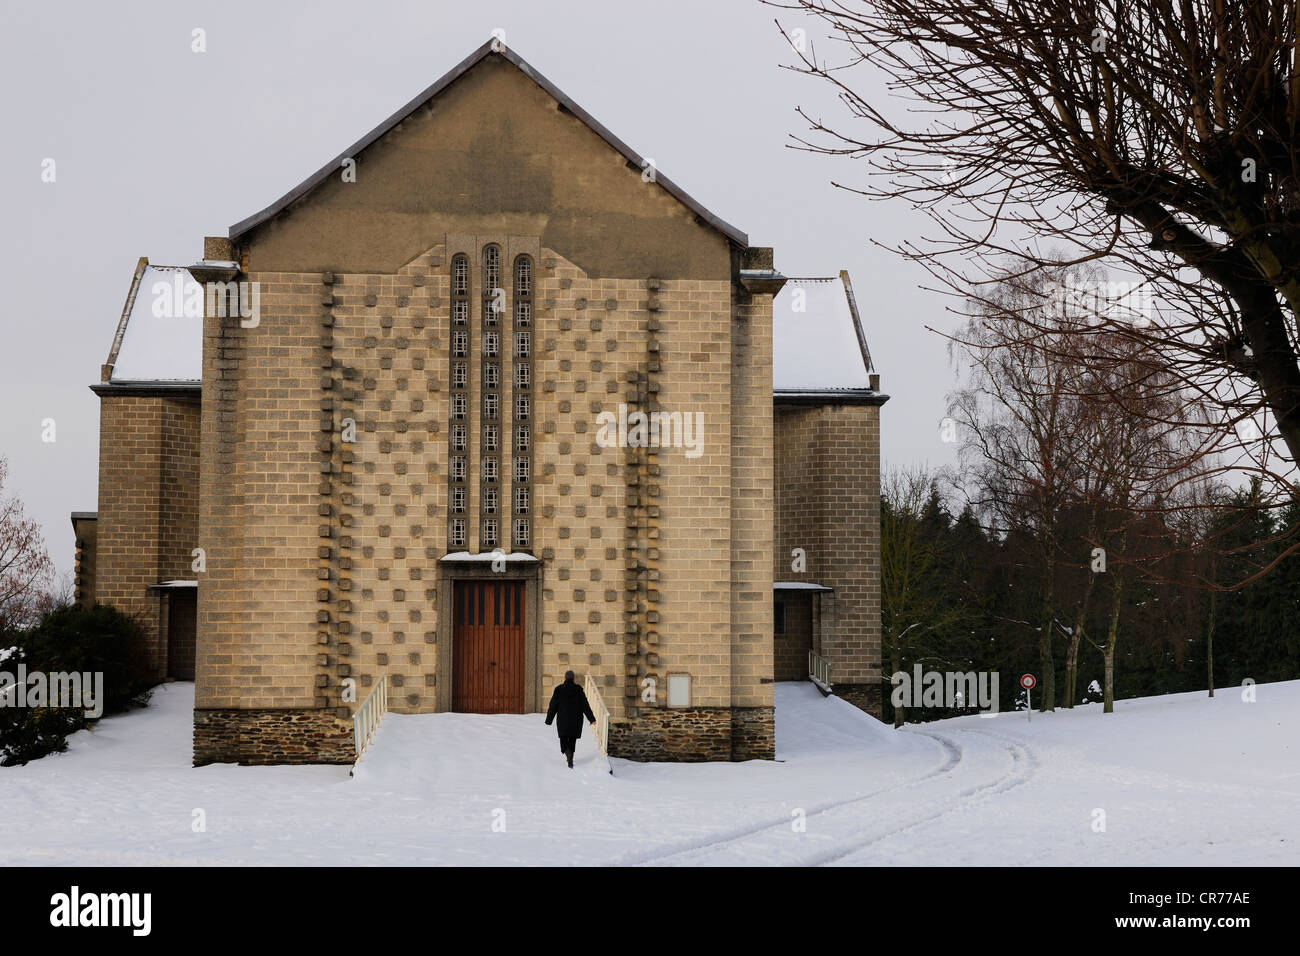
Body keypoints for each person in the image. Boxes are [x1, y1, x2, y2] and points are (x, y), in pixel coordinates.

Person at [545, 670, 596, 769]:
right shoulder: (578, 689)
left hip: (563, 719)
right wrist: (591, 719)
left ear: (564, 678)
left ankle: (568, 755)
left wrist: (549, 719)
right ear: (574, 679)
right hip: (575, 719)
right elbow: (585, 705)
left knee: (563, 739)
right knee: (572, 739)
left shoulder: (559, 689)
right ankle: (570, 757)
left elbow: (553, 705)